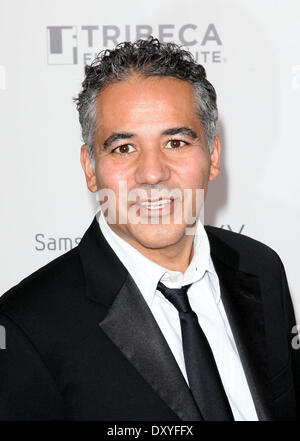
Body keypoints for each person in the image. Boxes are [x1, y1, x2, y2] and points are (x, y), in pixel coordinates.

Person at [0, 37, 299, 421]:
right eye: (124, 148)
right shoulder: (27, 329)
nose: (153, 173)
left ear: (213, 156)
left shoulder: (261, 268)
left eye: (175, 142)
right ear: (91, 168)